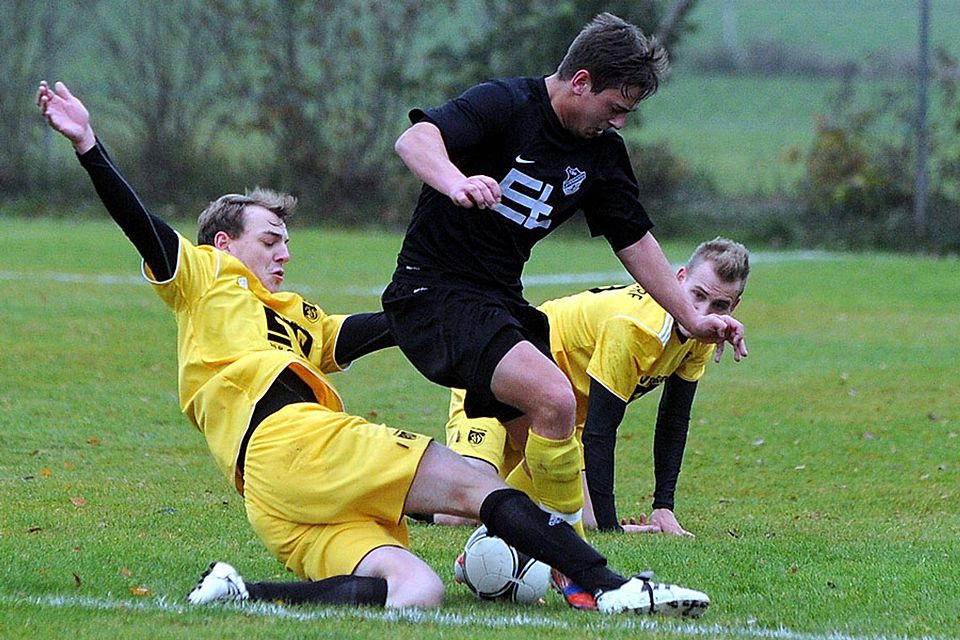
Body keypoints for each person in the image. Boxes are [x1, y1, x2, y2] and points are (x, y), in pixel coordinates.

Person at [38, 79, 711, 616]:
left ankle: (241, 594)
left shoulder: (298, 317)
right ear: (222, 244)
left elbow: (383, 325)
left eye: (286, 240)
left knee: (415, 589)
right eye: (269, 238)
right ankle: (607, 585)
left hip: (271, 495)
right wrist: (91, 147)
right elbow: (142, 226)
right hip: (292, 442)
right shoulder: (200, 277)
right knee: (477, 483)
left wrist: (458, 297)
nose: (284, 251)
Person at [382, 12, 747, 546]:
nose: (620, 122)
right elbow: (415, 140)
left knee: (530, 471)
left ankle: (388, 489)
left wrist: (692, 318)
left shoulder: (601, 154)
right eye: (616, 108)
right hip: (434, 289)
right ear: (581, 82)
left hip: (501, 303)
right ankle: (576, 568)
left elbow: (635, 240)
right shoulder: (505, 104)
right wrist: (456, 182)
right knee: (556, 399)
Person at [439, 238, 750, 539]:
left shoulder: (704, 335)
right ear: (679, 278)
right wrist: (611, 525)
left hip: (553, 419)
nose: (704, 312)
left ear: (734, 305)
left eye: (720, 305)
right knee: (459, 511)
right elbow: (600, 431)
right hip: (498, 374)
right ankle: (414, 488)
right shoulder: (635, 328)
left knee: (575, 516)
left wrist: (663, 507)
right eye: (697, 295)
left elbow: (674, 420)